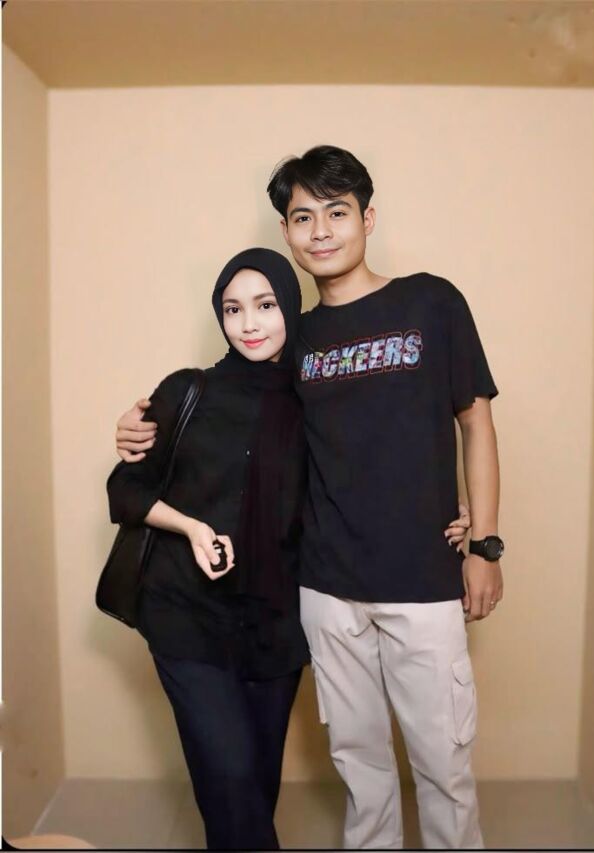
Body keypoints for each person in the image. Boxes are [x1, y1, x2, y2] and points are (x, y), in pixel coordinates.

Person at [114, 146, 502, 850]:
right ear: (287, 233)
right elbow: (237, 414)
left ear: (367, 218)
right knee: (361, 770)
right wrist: (141, 425)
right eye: (303, 217)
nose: (320, 231)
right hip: (324, 591)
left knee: (444, 769)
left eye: (336, 212)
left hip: (422, 580)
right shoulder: (293, 339)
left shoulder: (431, 301)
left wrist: (485, 542)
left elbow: (475, 420)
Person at [106, 248, 311, 850]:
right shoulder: (186, 391)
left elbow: (356, 486)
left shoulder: (316, 403)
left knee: (253, 791)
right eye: (232, 309)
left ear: (290, 306)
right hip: (185, 613)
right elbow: (125, 489)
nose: (249, 324)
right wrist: (192, 528)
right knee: (231, 779)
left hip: (277, 624)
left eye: (265, 306)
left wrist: (449, 514)